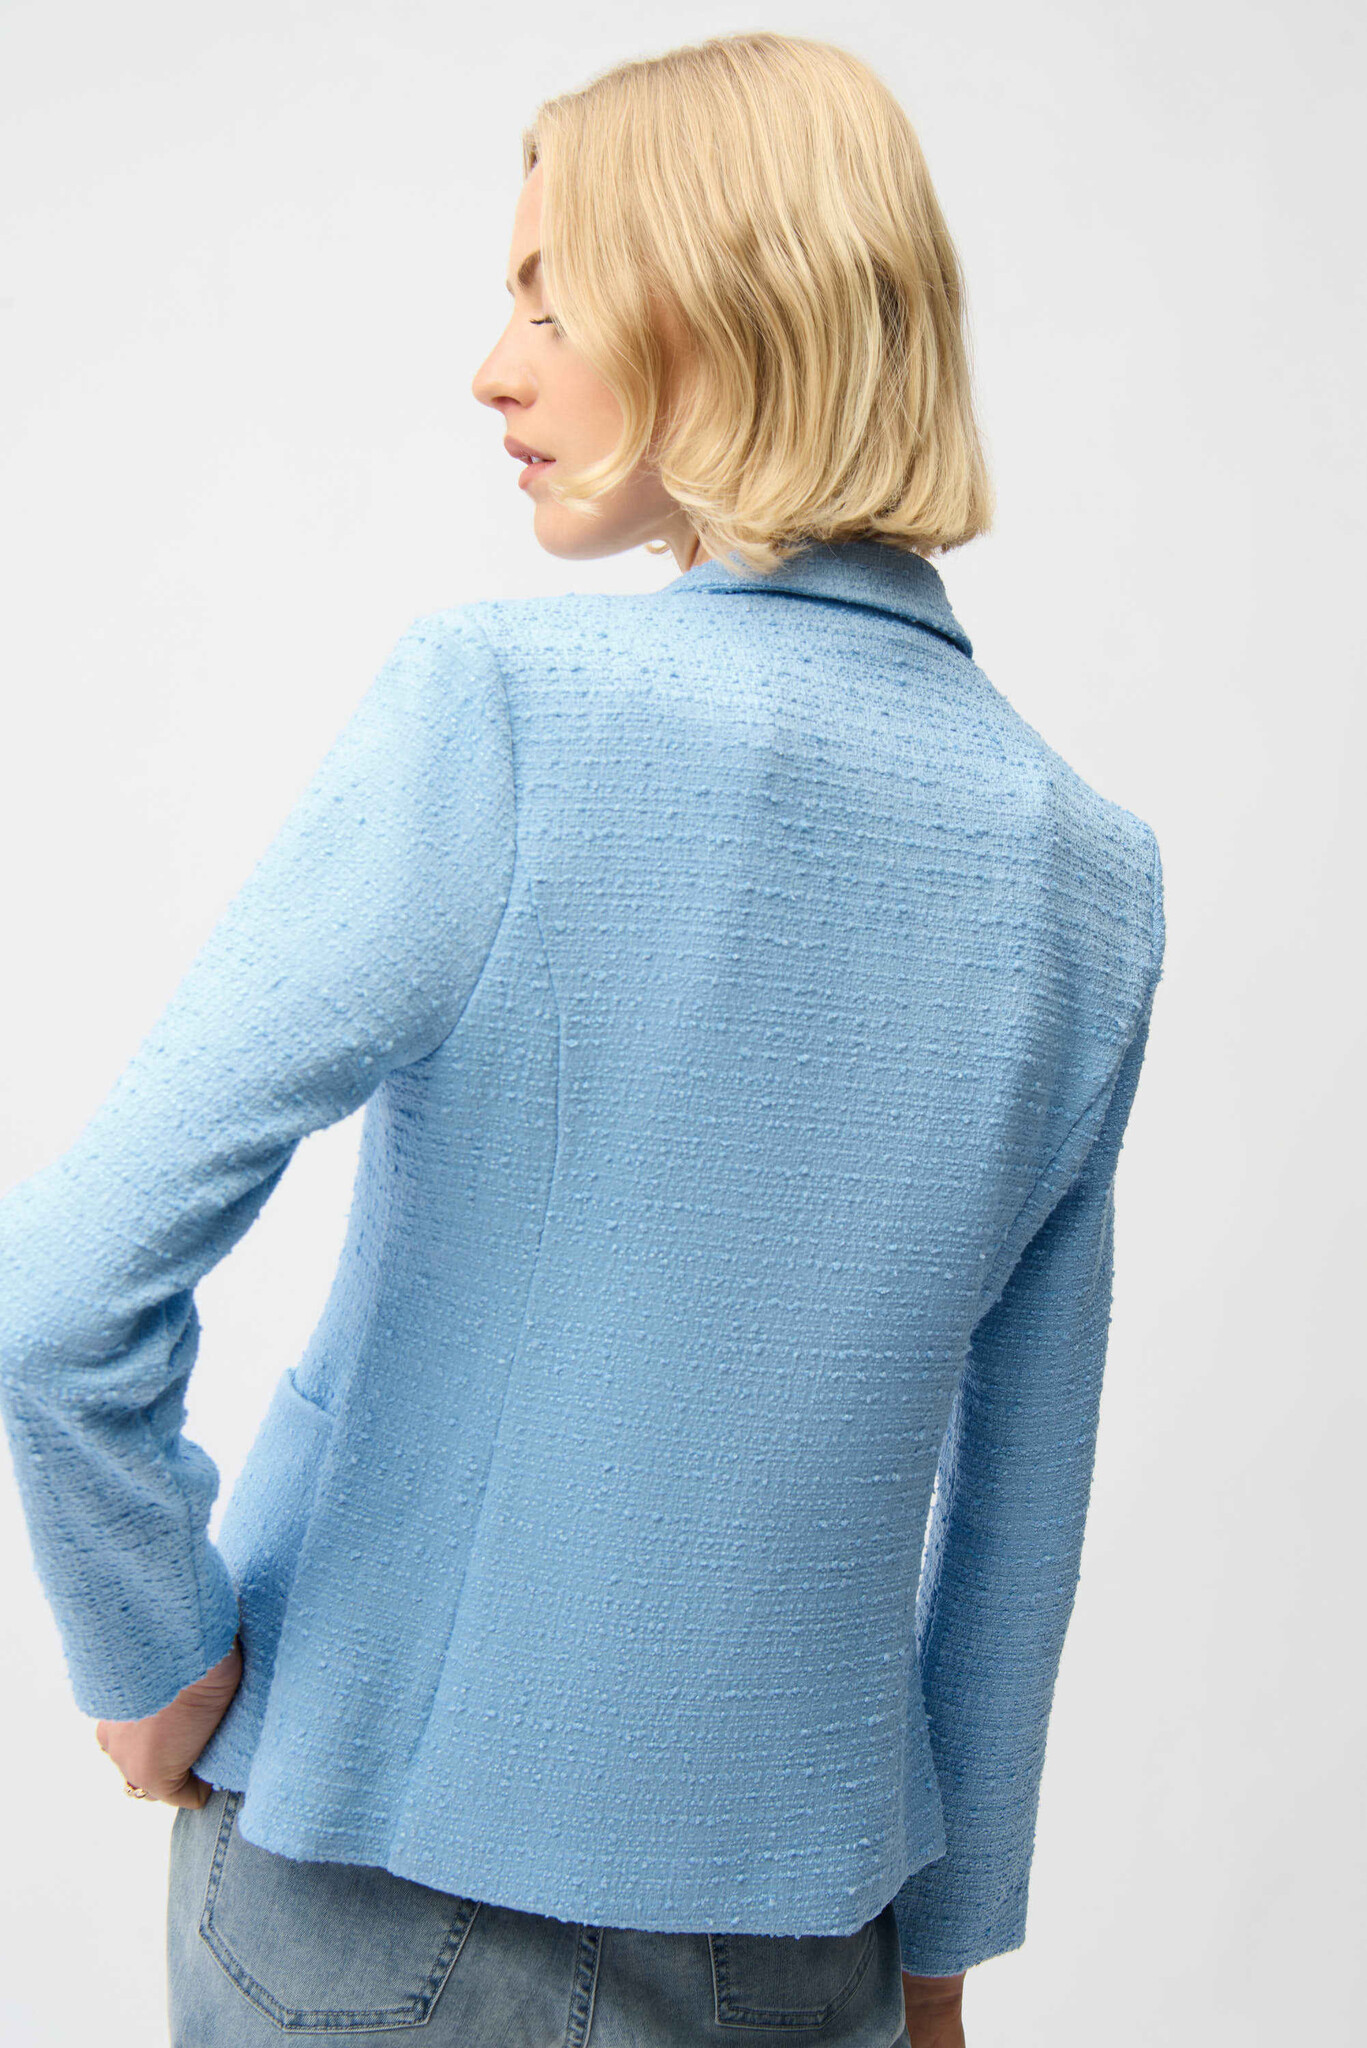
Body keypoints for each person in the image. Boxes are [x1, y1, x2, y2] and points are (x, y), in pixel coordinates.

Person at [0, 31, 1164, 2048]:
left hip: (375, 1889)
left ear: (729, 307)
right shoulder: (1088, 875)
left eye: (552, 298)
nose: (494, 367)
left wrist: (150, 1643)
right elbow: (1017, 1525)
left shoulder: (509, 714)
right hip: (810, 1944)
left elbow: (59, 1292)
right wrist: (939, 1972)